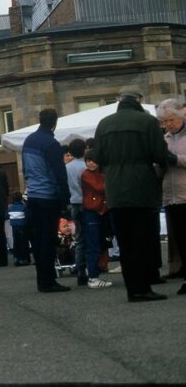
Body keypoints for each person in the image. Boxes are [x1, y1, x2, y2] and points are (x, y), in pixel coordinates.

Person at [94, 86, 169, 302]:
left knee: (125, 243)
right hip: (142, 187)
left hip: (116, 189)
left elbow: (98, 156)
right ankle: (144, 286)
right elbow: (159, 154)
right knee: (144, 239)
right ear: (139, 100)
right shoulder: (147, 122)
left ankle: (133, 289)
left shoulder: (104, 123)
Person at [21, 108, 71, 293]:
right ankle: (49, 281)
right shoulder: (51, 143)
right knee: (49, 240)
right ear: (54, 122)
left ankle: (42, 280)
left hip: (33, 195)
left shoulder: (29, 141)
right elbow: (59, 173)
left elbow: (26, 169)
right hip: (48, 196)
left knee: (38, 240)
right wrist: (64, 198)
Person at [156, 98, 186, 296]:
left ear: (180, 116)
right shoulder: (164, 139)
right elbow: (160, 171)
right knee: (182, 240)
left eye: (170, 120)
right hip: (171, 196)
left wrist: (176, 159)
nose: (167, 124)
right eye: (163, 121)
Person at [80, 154, 113, 289]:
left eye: (93, 160)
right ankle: (93, 276)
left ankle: (94, 272)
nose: (90, 163)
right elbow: (100, 188)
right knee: (93, 245)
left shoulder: (97, 174)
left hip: (101, 211)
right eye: (88, 161)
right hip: (93, 211)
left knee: (101, 243)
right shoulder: (86, 175)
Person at [65, 139, 89, 285]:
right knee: (90, 237)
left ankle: (80, 271)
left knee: (79, 238)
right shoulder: (85, 167)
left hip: (73, 203)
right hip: (86, 203)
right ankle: (90, 269)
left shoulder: (66, 167)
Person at [8, 193, 31, 266]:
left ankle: (16, 258)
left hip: (14, 228)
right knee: (23, 243)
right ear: (21, 199)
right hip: (22, 227)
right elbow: (28, 216)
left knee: (16, 242)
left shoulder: (10, 208)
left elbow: (6, 216)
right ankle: (24, 258)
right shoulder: (23, 207)